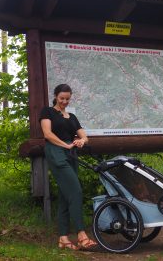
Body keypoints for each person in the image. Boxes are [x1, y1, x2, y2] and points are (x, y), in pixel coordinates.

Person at [39, 84, 97, 251]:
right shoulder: (47, 112)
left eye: (67, 99)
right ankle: (81, 235)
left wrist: (81, 141)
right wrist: (65, 145)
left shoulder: (72, 116)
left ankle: (63, 238)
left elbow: (84, 136)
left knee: (66, 196)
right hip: (56, 153)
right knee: (76, 191)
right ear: (56, 96)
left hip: (71, 154)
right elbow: (47, 134)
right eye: (61, 98)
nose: (64, 101)